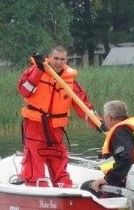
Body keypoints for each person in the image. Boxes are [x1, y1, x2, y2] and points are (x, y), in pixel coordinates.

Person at [16, 45, 104, 188]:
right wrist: (38, 70)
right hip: (34, 125)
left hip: (56, 128)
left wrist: (98, 123)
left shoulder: (69, 81)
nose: (58, 62)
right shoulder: (35, 70)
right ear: (49, 58)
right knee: (34, 160)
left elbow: (83, 105)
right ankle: (35, 187)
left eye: (62, 59)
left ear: (66, 60)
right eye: (56, 58)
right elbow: (24, 91)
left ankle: (64, 189)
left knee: (58, 158)